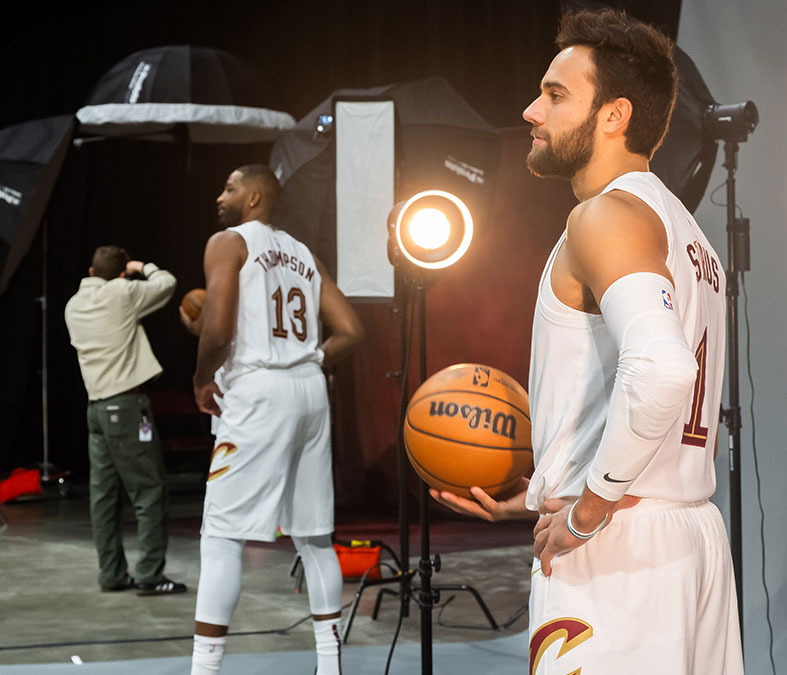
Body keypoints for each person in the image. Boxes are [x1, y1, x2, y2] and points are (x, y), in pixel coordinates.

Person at [432, 9, 742, 674]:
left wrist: (590, 506)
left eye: (555, 94)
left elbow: (661, 370)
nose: (530, 111)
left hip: (619, 549)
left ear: (614, 115)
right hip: (687, 535)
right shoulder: (686, 230)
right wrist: (549, 488)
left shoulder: (606, 216)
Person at [180, 164, 364, 675]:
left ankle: (204, 669)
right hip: (309, 389)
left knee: (220, 534)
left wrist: (200, 379)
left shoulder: (228, 241)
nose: (221, 195)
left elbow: (216, 331)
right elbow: (351, 329)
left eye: (230, 187)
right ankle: (330, 666)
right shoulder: (304, 253)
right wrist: (307, 360)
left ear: (256, 198)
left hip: (259, 390)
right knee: (315, 537)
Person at [65, 245, 186, 596]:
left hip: (97, 410)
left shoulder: (73, 305)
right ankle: (150, 574)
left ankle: (112, 574)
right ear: (121, 275)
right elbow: (167, 283)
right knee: (149, 490)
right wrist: (141, 266)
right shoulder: (122, 292)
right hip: (129, 408)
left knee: (103, 496)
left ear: (90, 273)